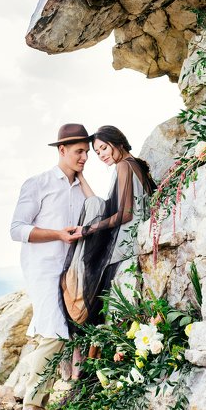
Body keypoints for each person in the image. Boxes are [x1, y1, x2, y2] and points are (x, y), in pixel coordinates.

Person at [10, 123, 90, 410]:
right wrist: (58, 234)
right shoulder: (38, 183)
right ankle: (32, 403)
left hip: (72, 271)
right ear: (62, 150)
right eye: (79, 152)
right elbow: (17, 229)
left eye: (86, 152)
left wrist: (83, 180)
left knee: (67, 330)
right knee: (55, 331)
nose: (84, 157)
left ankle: (60, 389)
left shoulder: (81, 188)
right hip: (43, 269)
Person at [61, 125, 156, 358]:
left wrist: (88, 229)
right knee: (94, 205)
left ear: (117, 143)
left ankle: (89, 364)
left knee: (90, 290)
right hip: (134, 238)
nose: (102, 154)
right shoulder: (136, 165)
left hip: (125, 242)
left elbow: (125, 214)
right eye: (97, 151)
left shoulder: (124, 165)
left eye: (104, 148)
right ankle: (93, 364)